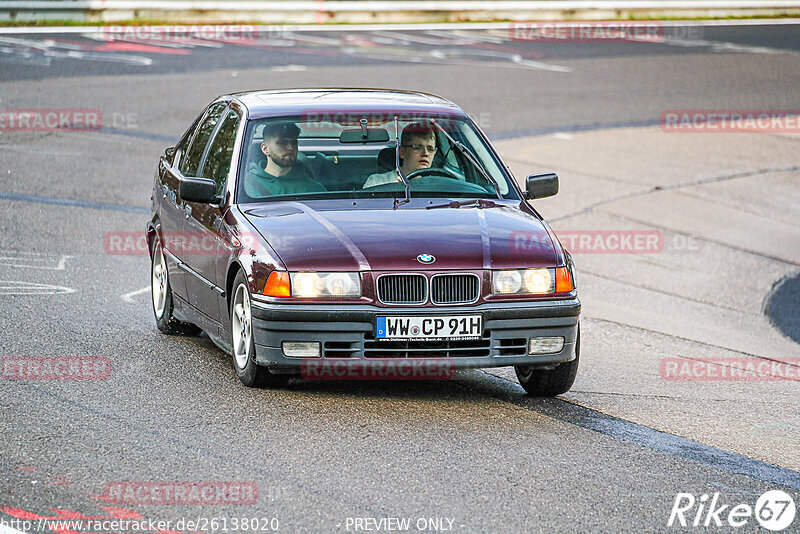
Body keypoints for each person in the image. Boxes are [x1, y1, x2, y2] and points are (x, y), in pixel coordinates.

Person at [245, 121, 325, 197]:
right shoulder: (247, 183)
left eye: (294, 143)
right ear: (265, 149)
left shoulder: (313, 189)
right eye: (282, 143)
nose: (290, 148)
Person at [363, 122, 438, 188]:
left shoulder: (438, 185)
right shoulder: (378, 183)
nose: (425, 153)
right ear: (402, 152)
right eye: (417, 148)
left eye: (430, 149)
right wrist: (393, 190)